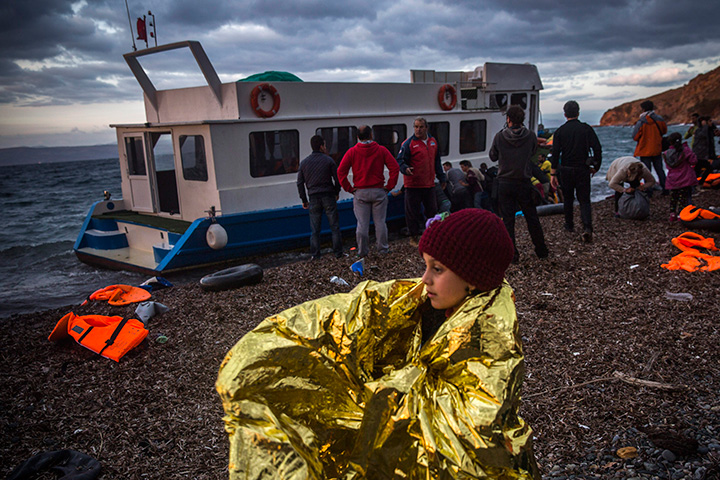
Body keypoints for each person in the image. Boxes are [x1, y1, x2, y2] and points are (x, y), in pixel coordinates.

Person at [216, 208, 541, 479]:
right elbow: (355, 312)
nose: (424, 279)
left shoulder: (490, 336)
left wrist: (382, 396)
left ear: (473, 278)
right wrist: (268, 350)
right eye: (425, 265)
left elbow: (472, 425)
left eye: (437, 269)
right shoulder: (429, 299)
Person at [490, 105, 549, 261]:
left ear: (508, 119)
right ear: (522, 119)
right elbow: (533, 152)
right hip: (523, 181)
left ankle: (513, 254)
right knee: (532, 217)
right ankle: (541, 250)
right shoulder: (530, 136)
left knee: (508, 220)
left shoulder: (499, 136)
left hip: (505, 182)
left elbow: (493, 156)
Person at [338, 125, 399, 257]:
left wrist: (349, 188)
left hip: (360, 192)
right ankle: (383, 249)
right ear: (371, 135)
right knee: (380, 223)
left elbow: (341, 171)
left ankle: (362, 252)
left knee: (362, 225)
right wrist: (389, 186)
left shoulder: (352, 152)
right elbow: (394, 167)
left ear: (357, 137)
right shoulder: (381, 150)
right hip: (378, 191)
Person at [550, 100, 602, 243]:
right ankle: (587, 227)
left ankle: (569, 225)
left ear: (565, 113)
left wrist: (553, 173)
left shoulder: (560, 131)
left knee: (568, 198)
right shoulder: (586, 129)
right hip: (582, 169)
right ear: (578, 112)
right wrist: (596, 166)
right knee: (584, 199)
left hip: (565, 169)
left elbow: (555, 154)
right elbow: (597, 148)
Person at [397, 117, 447, 243]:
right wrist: (405, 169)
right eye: (416, 127)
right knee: (412, 213)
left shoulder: (433, 142)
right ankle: (413, 237)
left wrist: (442, 177)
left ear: (426, 128)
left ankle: (432, 235)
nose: (418, 130)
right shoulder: (408, 144)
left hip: (429, 184)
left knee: (432, 210)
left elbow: (437, 161)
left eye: (421, 127)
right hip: (413, 185)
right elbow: (400, 161)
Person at [297, 135, 344, 259]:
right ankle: (338, 253)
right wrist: (336, 192)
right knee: (334, 226)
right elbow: (337, 179)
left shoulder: (304, 163)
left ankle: (315, 255)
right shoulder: (328, 160)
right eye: (325, 145)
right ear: (321, 146)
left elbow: (299, 183)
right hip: (328, 195)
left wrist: (304, 200)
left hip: (313, 197)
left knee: (315, 229)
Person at [632, 100, 668, 194]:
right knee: (660, 170)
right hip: (657, 148)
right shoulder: (660, 119)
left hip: (645, 150)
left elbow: (635, 136)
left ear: (643, 109)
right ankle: (665, 189)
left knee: (646, 172)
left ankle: (649, 190)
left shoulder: (641, 121)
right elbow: (664, 131)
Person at [663, 132, 698, 222]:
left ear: (670, 142)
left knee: (673, 198)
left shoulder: (666, 153)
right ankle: (681, 215)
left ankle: (672, 214)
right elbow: (694, 161)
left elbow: (668, 167)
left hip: (672, 179)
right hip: (685, 177)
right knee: (684, 198)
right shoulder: (685, 150)